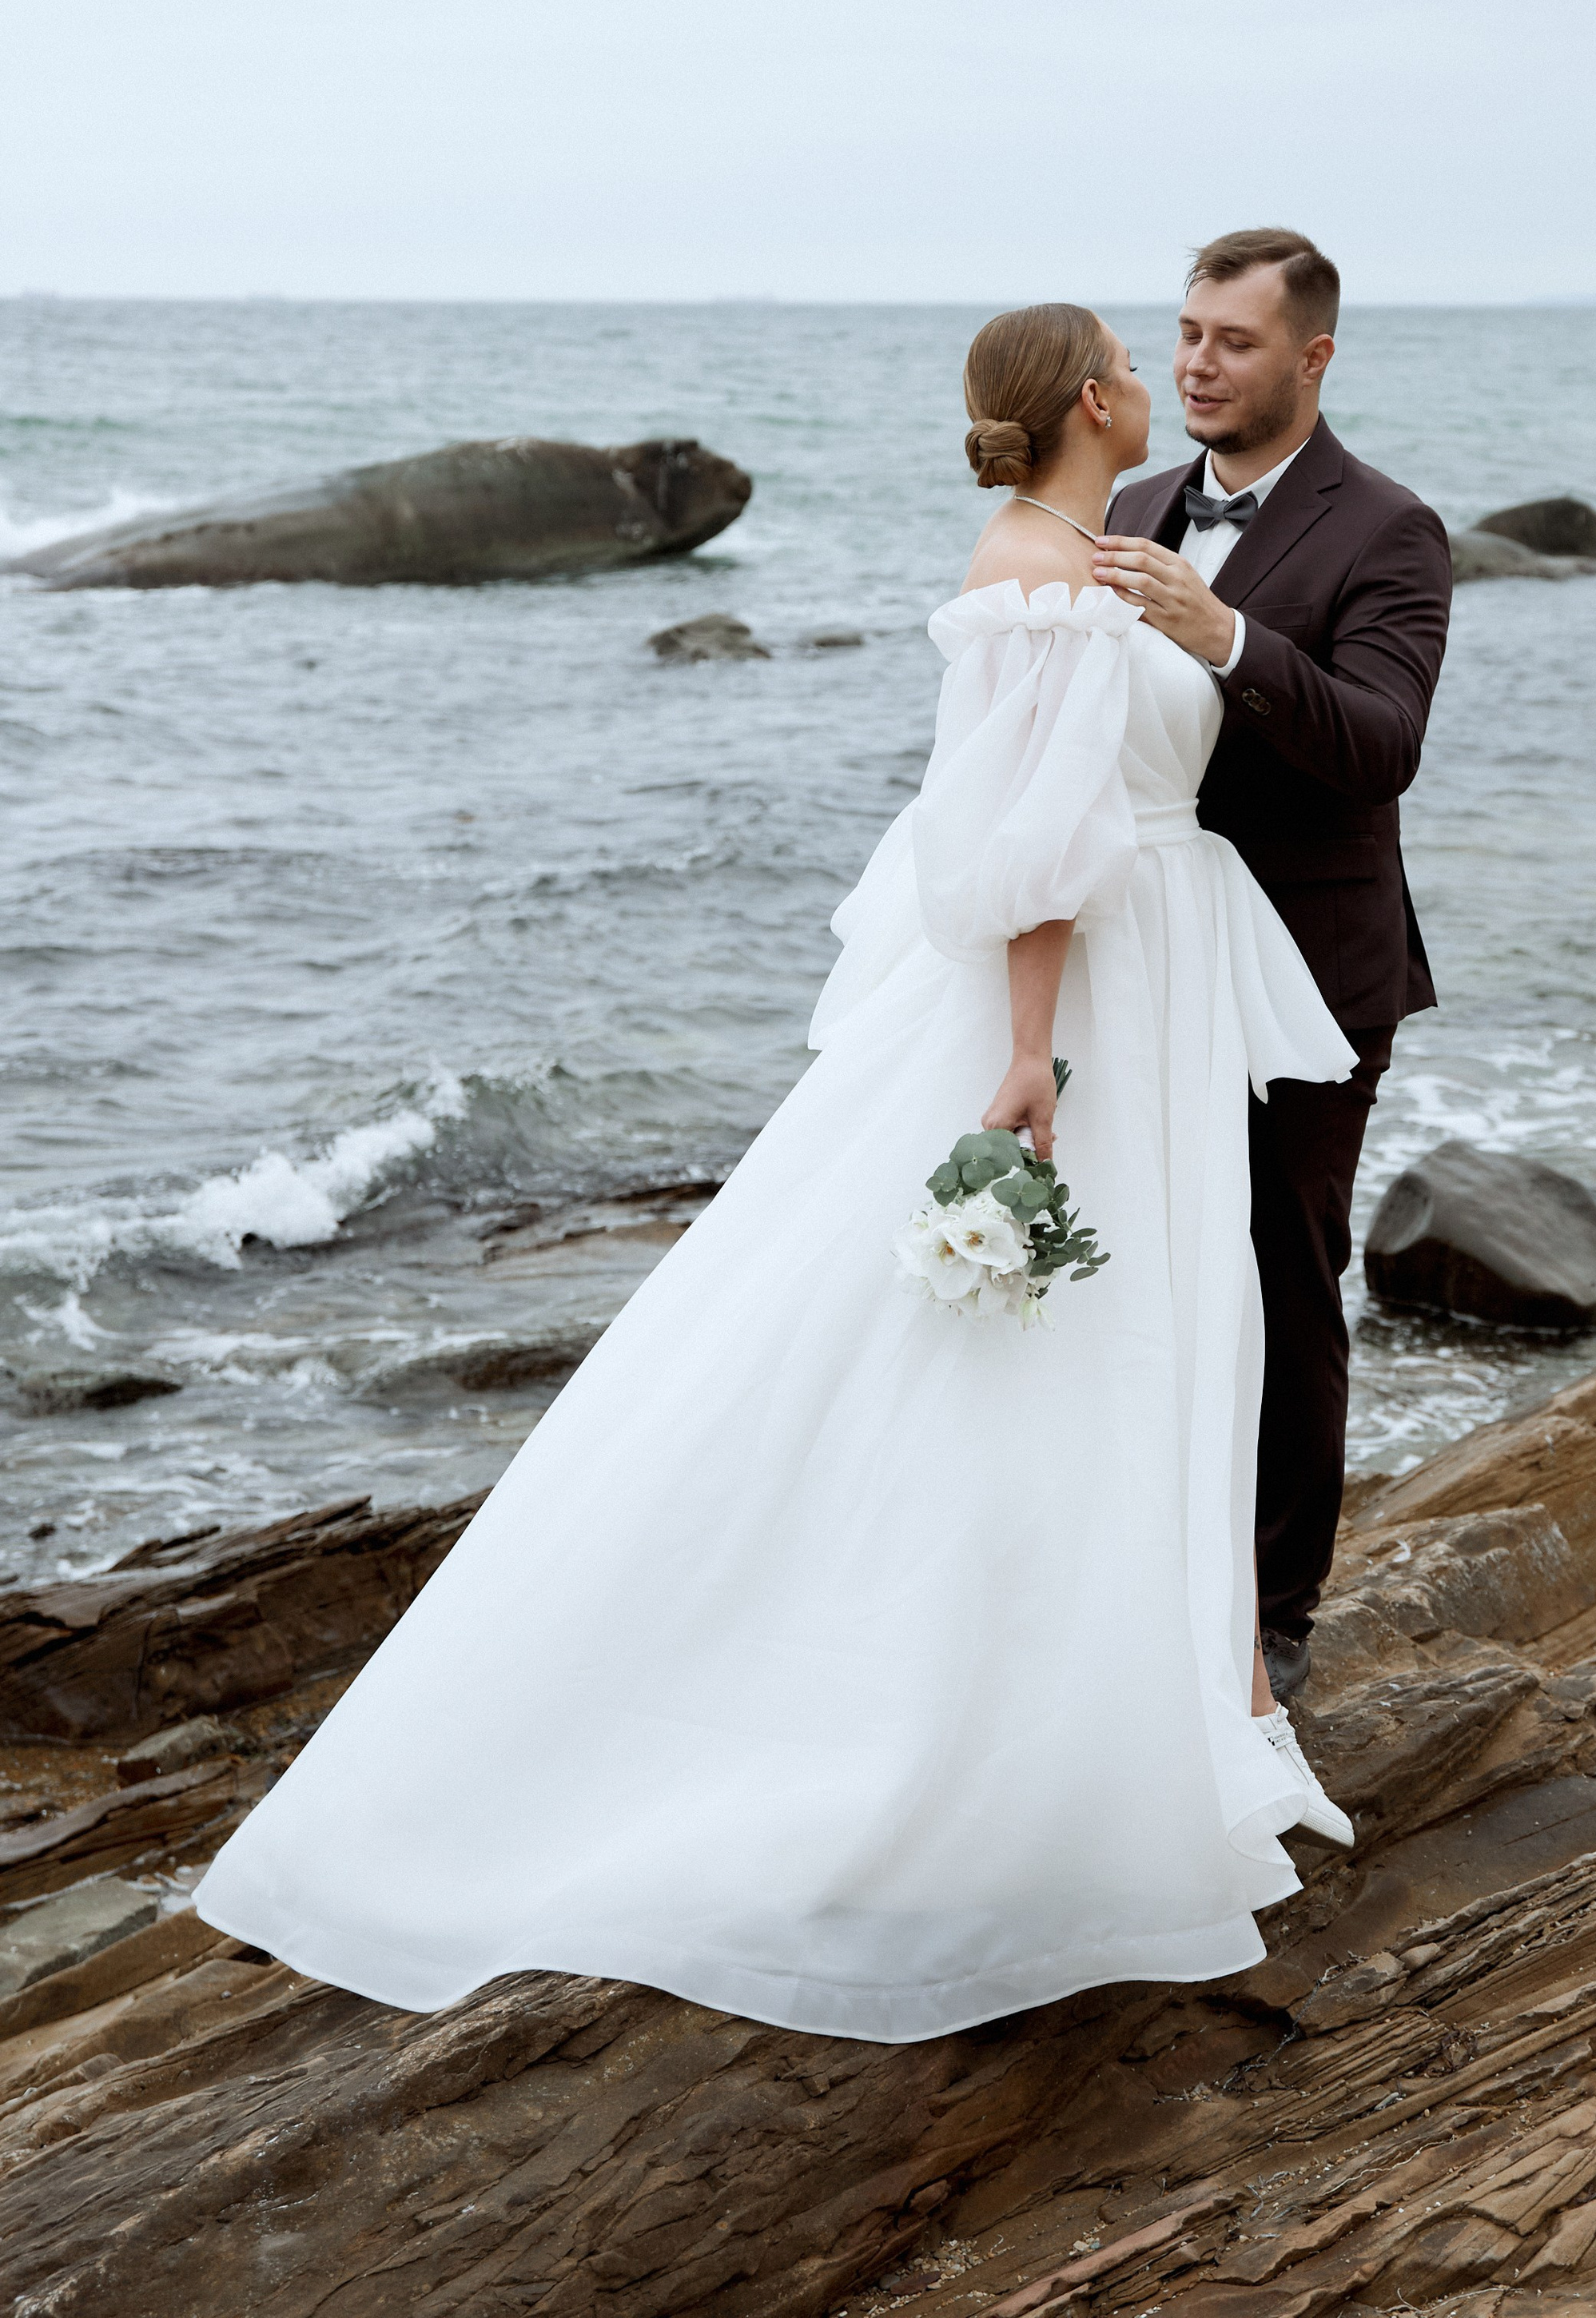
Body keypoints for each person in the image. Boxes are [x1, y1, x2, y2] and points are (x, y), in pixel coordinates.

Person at [195, 301, 1363, 2045]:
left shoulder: (1087, 549)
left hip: (1158, 979)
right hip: (1090, 1002)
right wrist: (1032, 1054)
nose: (1155, 374)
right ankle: (997, 1740)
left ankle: (1172, 1703)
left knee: (1149, 1347)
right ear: (1086, 401)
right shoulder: (1038, 568)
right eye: (1133, 356)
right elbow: (1027, 848)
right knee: (1054, 1358)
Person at [1095, 229, 1451, 1701]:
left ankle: (1277, 1612)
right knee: (1141, 1266)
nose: (1194, 362)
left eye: (1233, 342)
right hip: (1146, 958)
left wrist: (1229, 634)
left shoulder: (1392, 530)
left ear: (1310, 359)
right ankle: (1134, 1562)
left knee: (1280, 1276)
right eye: (1184, 332)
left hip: (1309, 976)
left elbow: (1384, 745)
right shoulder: (1127, 503)